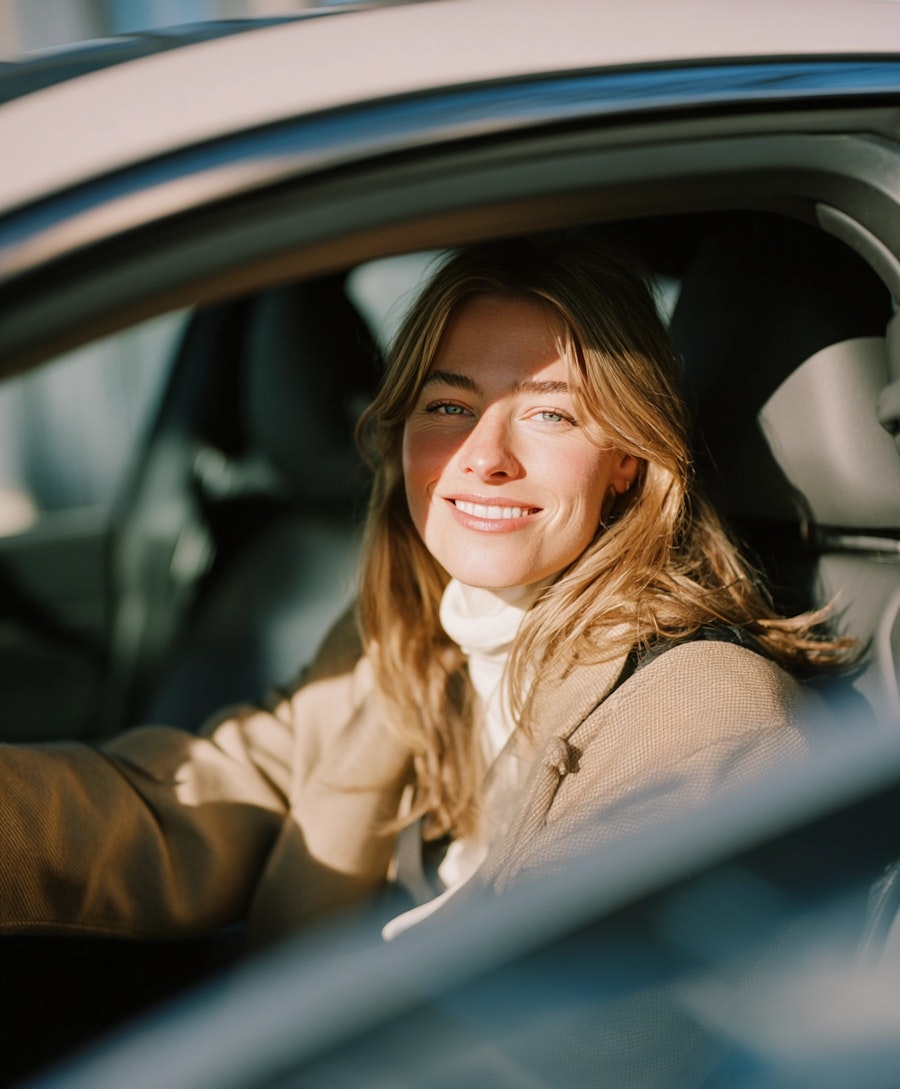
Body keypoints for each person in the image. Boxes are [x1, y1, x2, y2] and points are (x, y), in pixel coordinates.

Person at [0, 237, 853, 948]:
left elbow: (582, 1038)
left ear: (627, 457)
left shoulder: (702, 716)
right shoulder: (413, 636)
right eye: (448, 404)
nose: (482, 455)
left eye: (549, 413)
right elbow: (207, 795)